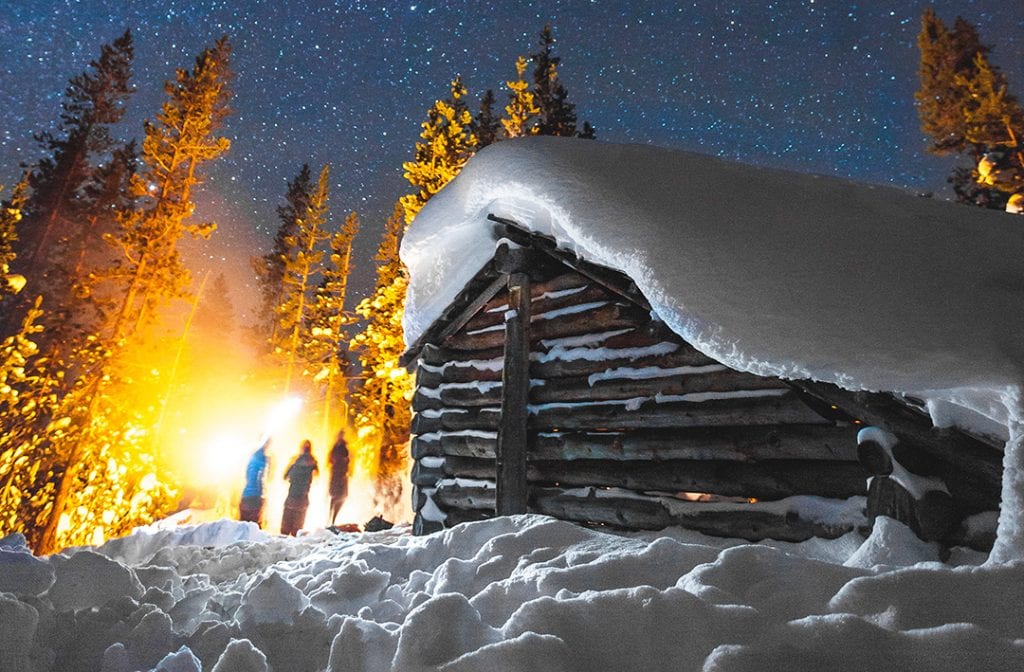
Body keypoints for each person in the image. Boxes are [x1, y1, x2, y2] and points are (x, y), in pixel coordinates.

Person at [281, 439, 319, 535]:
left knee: (284, 531)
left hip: (291, 497)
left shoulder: (294, 460)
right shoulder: (313, 462)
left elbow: (284, 476)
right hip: (303, 499)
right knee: (296, 532)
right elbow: (317, 476)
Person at [239, 439, 270, 527]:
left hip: (246, 495)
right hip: (256, 497)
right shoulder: (264, 459)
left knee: (243, 526)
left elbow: (247, 475)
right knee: (254, 528)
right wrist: (263, 496)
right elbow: (261, 478)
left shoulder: (251, 457)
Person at [328, 431, 350, 525]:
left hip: (341, 476)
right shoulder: (335, 448)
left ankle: (333, 520)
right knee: (335, 497)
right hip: (337, 476)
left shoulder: (344, 448)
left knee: (341, 496)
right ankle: (331, 520)